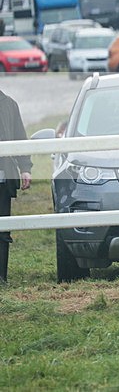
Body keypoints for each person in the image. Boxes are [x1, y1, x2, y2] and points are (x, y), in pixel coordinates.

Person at [0, 90, 33, 283]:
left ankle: (1, 277)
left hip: (4, 178)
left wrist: (25, 168)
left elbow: (20, 137)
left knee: (3, 230)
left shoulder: (9, 104)